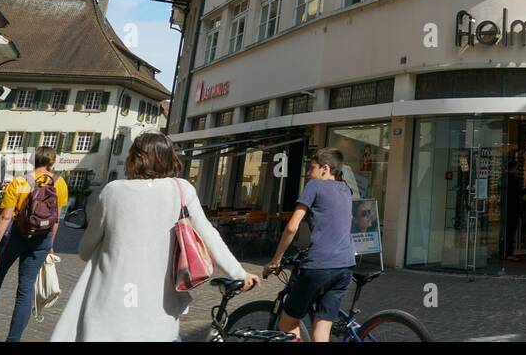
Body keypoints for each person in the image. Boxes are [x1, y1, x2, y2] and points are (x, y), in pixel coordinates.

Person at [50, 133, 257, 341]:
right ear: (170, 158)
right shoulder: (181, 189)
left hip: (108, 308)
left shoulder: (112, 191)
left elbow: (85, 250)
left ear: (134, 158)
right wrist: (239, 273)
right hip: (158, 310)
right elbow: (209, 235)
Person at [0, 146, 68, 341]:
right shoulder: (60, 184)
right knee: (25, 290)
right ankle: (13, 339)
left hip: (16, 236)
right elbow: (56, 219)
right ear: (52, 162)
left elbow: (6, 216)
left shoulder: (20, 182)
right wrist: (50, 243)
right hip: (42, 239)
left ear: (33, 160)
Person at [265, 148, 354, 342]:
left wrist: (276, 260)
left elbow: (291, 227)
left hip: (319, 266)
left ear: (325, 168)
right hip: (345, 267)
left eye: (311, 168)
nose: (307, 173)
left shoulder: (315, 186)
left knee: (287, 322)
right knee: (321, 331)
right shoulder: (346, 189)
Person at [503, 159, 523, 259]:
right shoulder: (514, 180)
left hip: (506, 207)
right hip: (513, 208)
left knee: (507, 231)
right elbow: (518, 193)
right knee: (511, 231)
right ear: (514, 168)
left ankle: (505, 251)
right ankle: (509, 252)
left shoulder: (505, 179)